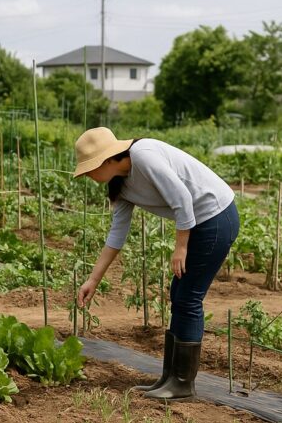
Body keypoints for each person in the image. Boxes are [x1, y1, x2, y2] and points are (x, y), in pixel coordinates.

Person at [75, 127, 239, 400]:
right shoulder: (120, 184)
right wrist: (93, 279)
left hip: (216, 217)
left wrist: (181, 247)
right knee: (178, 294)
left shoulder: (144, 155)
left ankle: (183, 384)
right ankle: (170, 378)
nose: (89, 176)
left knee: (188, 298)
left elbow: (183, 198)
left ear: (107, 160)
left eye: (90, 168)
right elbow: (117, 234)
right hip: (199, 222)